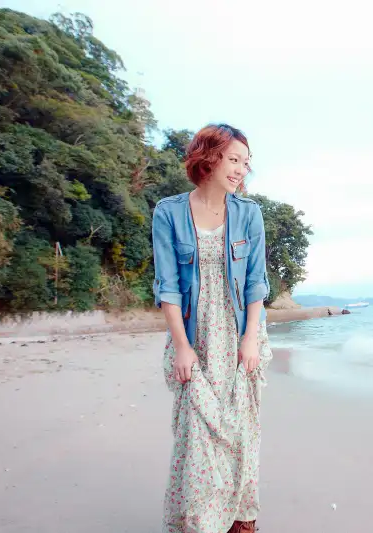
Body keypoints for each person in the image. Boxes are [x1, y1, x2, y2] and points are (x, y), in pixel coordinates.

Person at [151, 123, 273, 533]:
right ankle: (201, 523)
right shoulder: (168, 212)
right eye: (234, 159)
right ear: (209, 157)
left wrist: (251, 338)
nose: (241, 169)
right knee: (197, 436)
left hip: (240, 336)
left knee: (241, 432)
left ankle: (241, 522)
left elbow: (256, 282)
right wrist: (182, 346)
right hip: (195, 336)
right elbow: (167, 286)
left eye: (245, 162)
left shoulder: (248, 214)